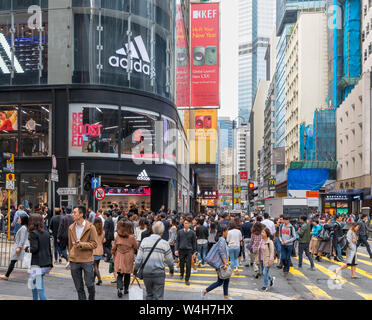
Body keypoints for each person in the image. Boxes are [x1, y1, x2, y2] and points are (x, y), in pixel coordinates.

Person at [134, 221, 174, 300]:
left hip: (146, 272)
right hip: (159, 273)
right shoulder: (165, 243)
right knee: (158, 296)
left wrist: (135, 271)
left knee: (149, 294)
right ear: (162, 232)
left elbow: (138, 259)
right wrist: (171, 270)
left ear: (152, 230)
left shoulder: (144, 241)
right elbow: (170, 260)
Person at [68, 206, 98, 300]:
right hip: (74, 259)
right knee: (79, 287)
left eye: (74, 212)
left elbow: (94, 244)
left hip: (87, 259)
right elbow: (70, 245)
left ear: (81, 214)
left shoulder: (91, 227)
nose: (73, 214)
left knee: (89, 284)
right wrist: (70, 256)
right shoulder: (71, 227)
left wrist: (81, 244)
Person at [24, 214, 53, 300]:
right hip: (46, 263)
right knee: (34, 283)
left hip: (37, 265)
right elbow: (49, 249)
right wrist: (51, 263)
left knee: (40, 287)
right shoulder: (46, 233)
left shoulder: (33, 234)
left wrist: (26, 248)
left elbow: (34, 249)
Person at [201, 225, 232, 300]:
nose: (228, 232)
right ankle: (205, 291)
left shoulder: (221, 239)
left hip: (221, 263)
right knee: (220, 282)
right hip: (221, 264)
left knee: (226, 279)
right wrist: (225, 263)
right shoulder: (222, 240)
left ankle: (226, 296)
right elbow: (222, 252)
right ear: (223, 232)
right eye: (227, 230)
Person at [112, 220, 138, 297]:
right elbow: (136, 246)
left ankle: (119, 288)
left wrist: (113, 254)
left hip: (119, 255)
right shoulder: (132, 237)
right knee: (127, 273)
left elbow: (114, 247)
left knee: (119, 274)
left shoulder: (118, 236)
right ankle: (126, 289)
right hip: (128, 256)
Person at [0, 215, 29, 280]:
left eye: (19, 218)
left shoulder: (23, 228)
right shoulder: (23, 227)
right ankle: (6, 275)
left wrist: (19, 247)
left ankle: (6, 276)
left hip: (20, 247)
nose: (18, 220)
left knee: (13, 261)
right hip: (20, 246)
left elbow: (22, 239)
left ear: (22, 220)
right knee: (13, 261)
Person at [175, 219, 197, 286]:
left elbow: (194, 243)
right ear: (183, 224)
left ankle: (187, 279)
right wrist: (176, 250)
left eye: (187, 223)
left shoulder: (192, 233)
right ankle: (181, 274)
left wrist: (194, 252)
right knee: (181, 264)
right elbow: (177, 241)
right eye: (185, 223)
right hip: (181, 250)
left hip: (189, 251)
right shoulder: (180, 232)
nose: (186, 224)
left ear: (190, 224)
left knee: (188, 265)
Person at [93, 218, 105, 286]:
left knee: (94, 266)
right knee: (97, 266)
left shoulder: (93, 230)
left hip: (94, 250)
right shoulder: (103, 231)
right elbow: (103, 240)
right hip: (100, 249)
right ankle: (93, 280)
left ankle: (99, 279)